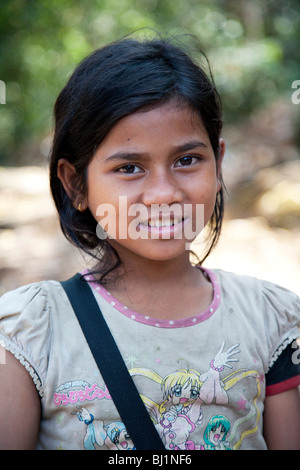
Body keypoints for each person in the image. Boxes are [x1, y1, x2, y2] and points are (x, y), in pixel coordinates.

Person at [0, 33, 300, 451]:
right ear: (75, 184)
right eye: (129, 167)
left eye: (187, 160)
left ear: (218, 165)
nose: (163, 193)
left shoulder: (272, 320)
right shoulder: (30, 332)